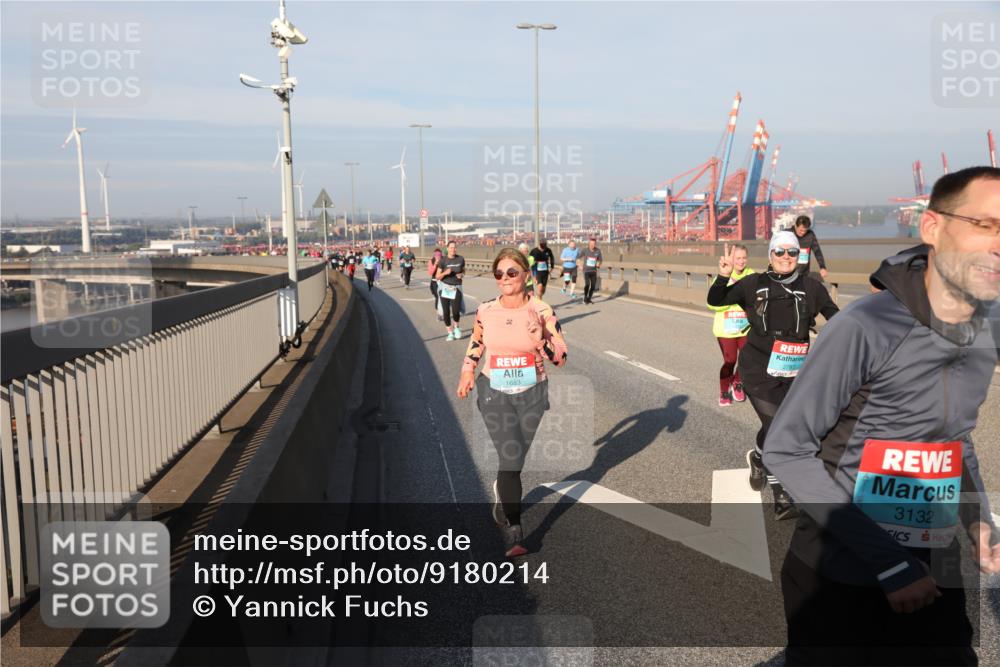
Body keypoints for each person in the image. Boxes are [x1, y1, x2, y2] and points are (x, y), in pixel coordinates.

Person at [763, 167, 1000, 666]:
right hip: (841, 572)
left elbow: (954, 440)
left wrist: (978, 521)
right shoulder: (865, 326)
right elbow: (786, 447)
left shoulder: (984, 332)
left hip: (932, 563)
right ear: (932, 228)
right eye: (984, 224)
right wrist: (888, 563)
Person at [707, 231, 838, 519]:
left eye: (792, 252)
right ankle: (782, 495)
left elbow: (835, 317)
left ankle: (757, 457)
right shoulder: (753, 283)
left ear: (799, 256)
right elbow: (716, 300)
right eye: (779, 252)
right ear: (770, 255)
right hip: (757, 370)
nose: (786, 257)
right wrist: (722, 276)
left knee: (780, 427)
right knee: (779, 426)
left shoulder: (812, 286)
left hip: (795, 372)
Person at [456, 247, 568, 557]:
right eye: (499, 274)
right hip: (493, 389)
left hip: (533, 392)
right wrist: (468, 370)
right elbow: (477, 342)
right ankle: (515, 533)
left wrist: (539, 340)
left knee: (514, 463)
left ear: (526, 276)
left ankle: (502, 493)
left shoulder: (543, 311)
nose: (505, 279)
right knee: (511, 457)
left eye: (511, 272)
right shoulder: (486, 310)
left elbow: (561, 357)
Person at [707, 244, 754, 406]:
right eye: (737, 258)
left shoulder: (752, 275)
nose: (741, 262)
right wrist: (734, 298)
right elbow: (713, 305)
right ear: (731, 260)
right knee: (730, 361)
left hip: (745, 328)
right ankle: (723, 391)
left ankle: (737, 383)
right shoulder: (724, 276)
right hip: (725, 329)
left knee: (747, 359)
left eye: (743, 258)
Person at [436, 241, 466, 340]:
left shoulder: (460, 259)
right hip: (445, 287)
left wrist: (461, 275)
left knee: (456, 310)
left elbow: (463, 271)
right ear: (447, 248)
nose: (453, 249)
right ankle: (450, 333)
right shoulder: (443, 261)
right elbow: (437, 276)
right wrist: (445, 273)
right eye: (451, 247)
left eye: (454, 247)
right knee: (446, 312)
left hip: (456, 287)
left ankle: (456, 327)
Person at [792, 215, 828, 280]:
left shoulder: (810, 235)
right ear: (796, 226)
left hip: (804, 273)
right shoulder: (788, 234)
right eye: (801, 230)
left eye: (805, 230)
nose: (803, 233)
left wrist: (822, 267)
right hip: (789, 273)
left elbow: (817, 252)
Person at [581, 237, 603, 304]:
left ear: (595, 244)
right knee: (587, 284)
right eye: (591, 243)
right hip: (586, 270)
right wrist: (579, 265)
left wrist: (598, 264)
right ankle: (585, 297)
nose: (592, 245)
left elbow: (600, 260)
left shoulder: (598, 251)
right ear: (589, 244)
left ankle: (589, 299)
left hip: (593, 271)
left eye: (593, 244)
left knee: (593, 286)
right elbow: (578, 257)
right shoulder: (585, 250)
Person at [428, 248, 443, 320]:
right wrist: (435, 265)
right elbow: (430, 273)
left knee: (441, 297)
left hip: (443, 282)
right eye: (436, 255)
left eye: (439, 255)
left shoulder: (444, 260)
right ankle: (439, 313)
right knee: (438, 297)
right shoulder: (431, 261)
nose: (438, 257)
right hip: (434, 282)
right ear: (434, 255)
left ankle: (441, 312)